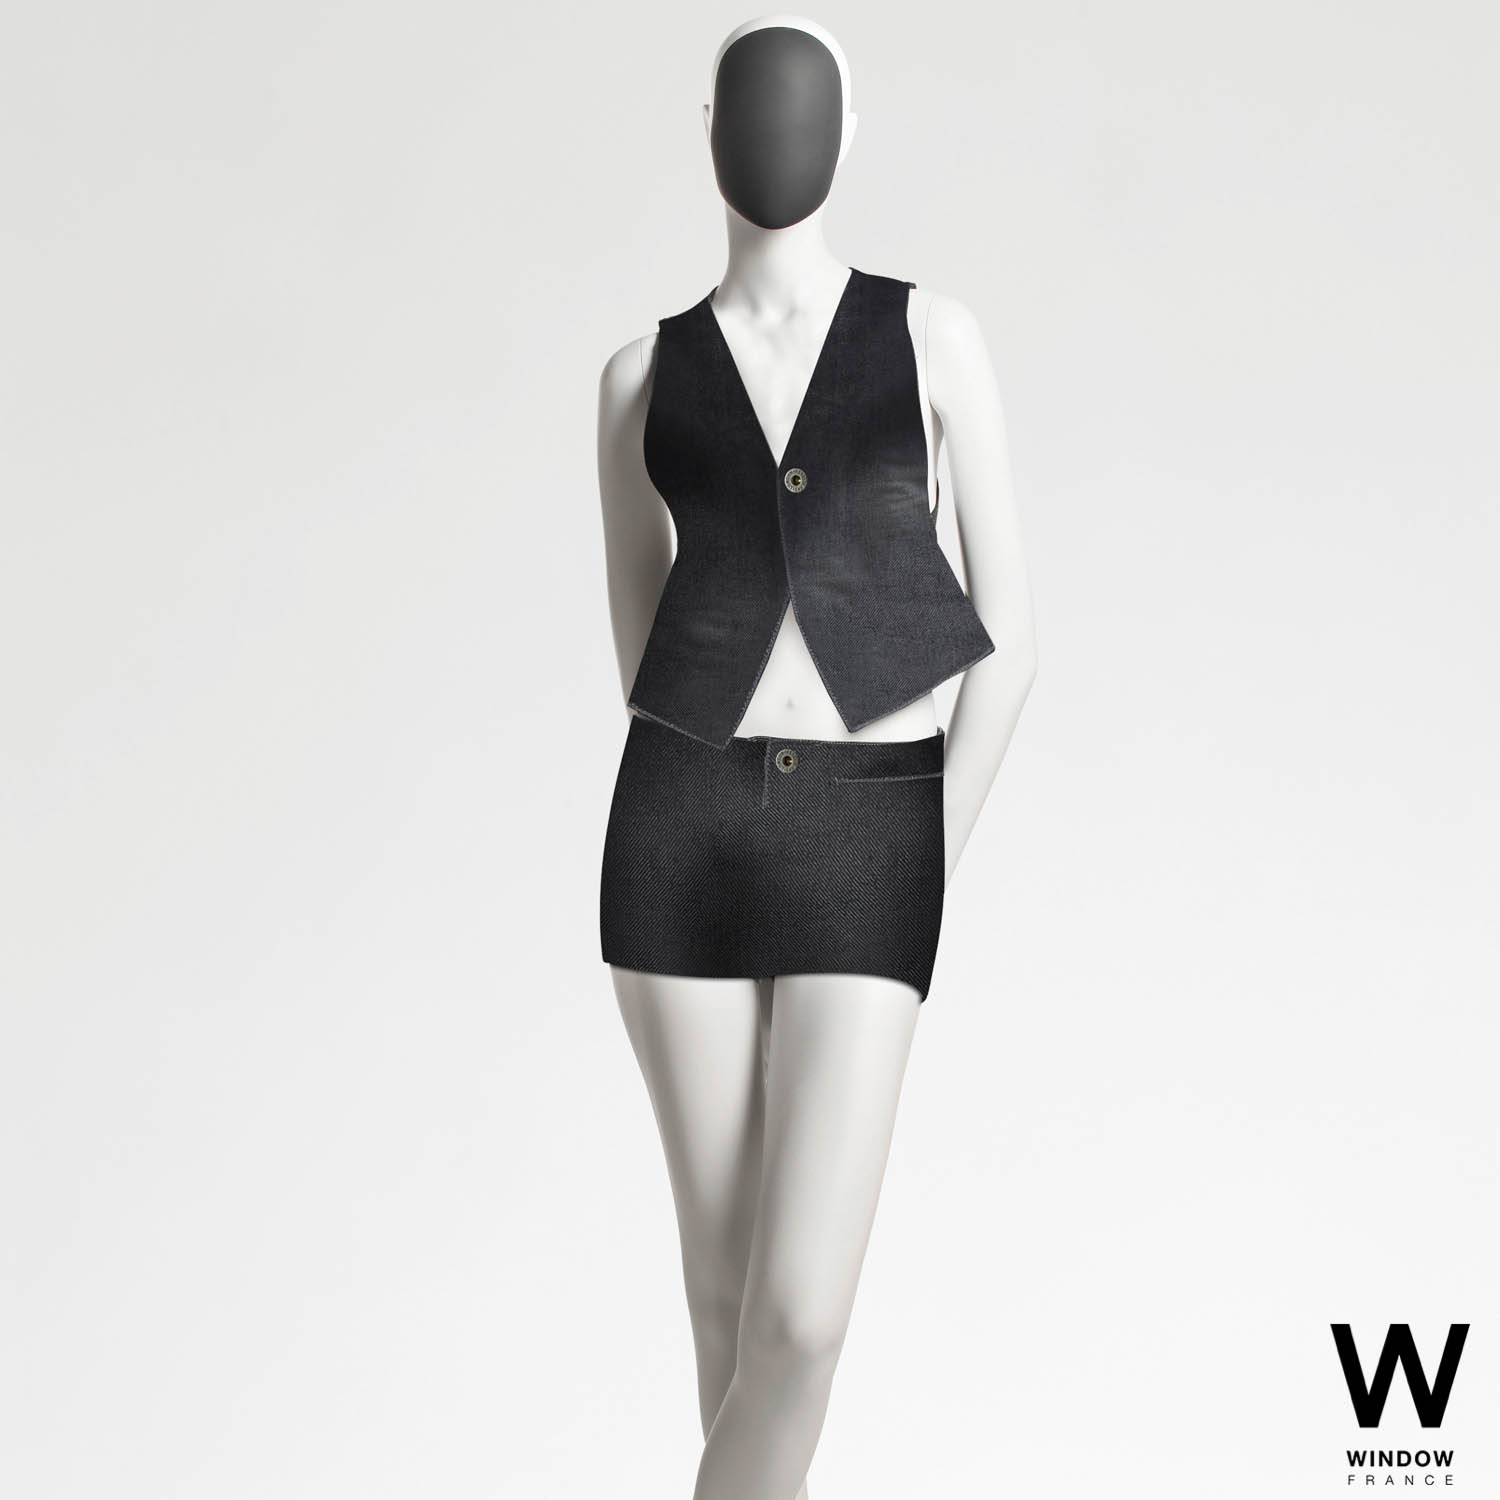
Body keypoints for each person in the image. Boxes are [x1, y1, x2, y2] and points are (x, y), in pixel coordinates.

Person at [596, 18, 1037, 1500]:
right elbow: (645, 655)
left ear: (849, 131)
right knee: (724, 1310)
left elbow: (1009, 642)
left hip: (872, 821)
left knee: (800, 1322)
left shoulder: (931, 336)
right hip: (681, 830)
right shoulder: (637, 377)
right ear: (704, 127)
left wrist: (922, 852)